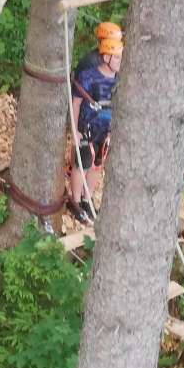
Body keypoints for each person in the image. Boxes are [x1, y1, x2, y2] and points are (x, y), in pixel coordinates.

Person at [67, 21, 123, 224]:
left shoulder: (120, 78)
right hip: (88, 124)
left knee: (97, 164)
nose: (119, 61)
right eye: (116, 57)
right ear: (106, 55)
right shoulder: (88, 72)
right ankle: (75, 201)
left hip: (105, 127)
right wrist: (75, 129)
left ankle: (86, 199)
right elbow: (76, 101)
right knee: (83, 163)